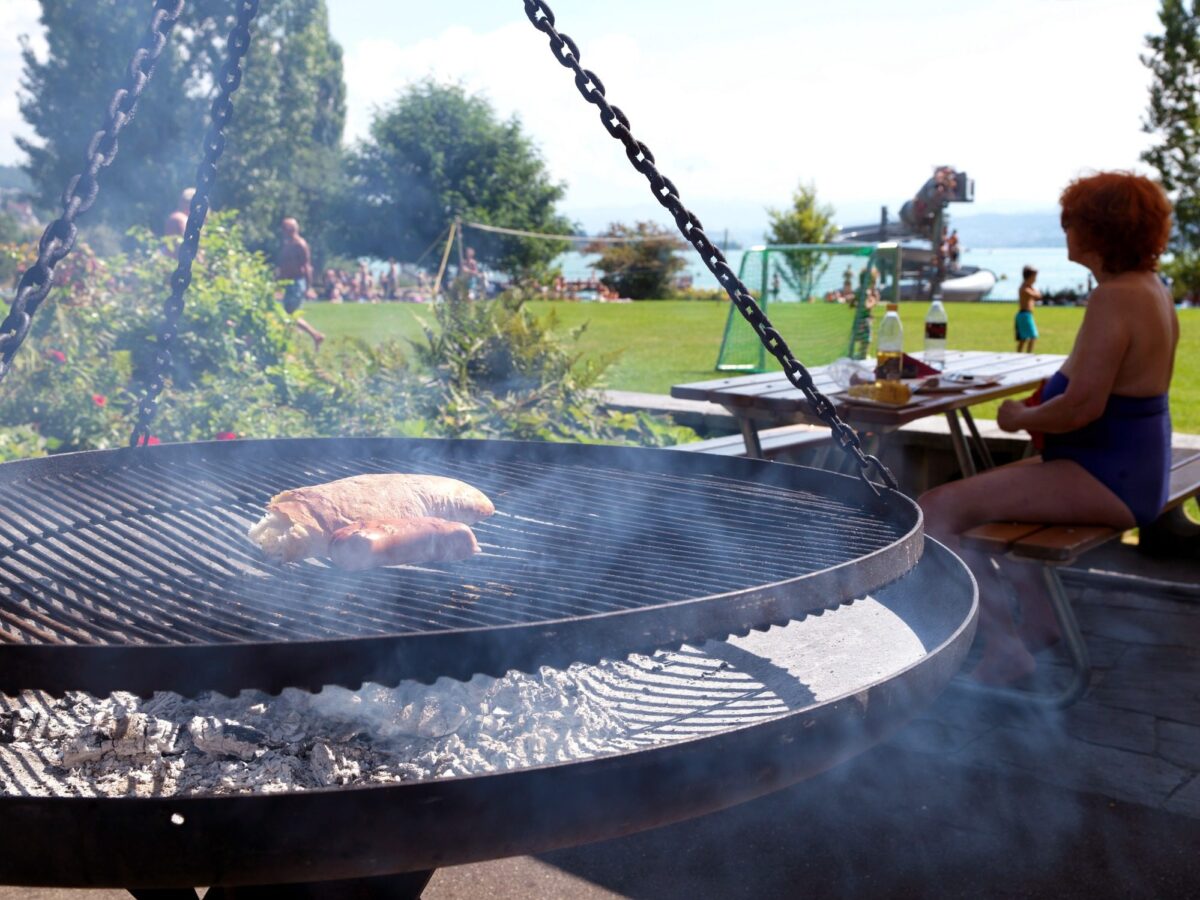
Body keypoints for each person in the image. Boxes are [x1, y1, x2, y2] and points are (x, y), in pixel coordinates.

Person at [919, 171, 1177, 685]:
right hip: (1126, 468)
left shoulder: (1115, 298)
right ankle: (1038, 620)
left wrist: (1021, 418)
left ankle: (1005, 648)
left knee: (932, 513)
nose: (1066, 232)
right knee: (994, 503)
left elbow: (1081, 407)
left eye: (1072, 222)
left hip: (1108, 475)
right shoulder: (1148, 288)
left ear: (1099, 231)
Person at [276, 217, 324, 350]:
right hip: (288, 283)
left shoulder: (300, 245)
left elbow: (306, 266)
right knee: (289, 315)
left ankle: (315, 335)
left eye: (286, 228)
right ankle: (296, 344)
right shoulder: (288, 244)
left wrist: (309, 287)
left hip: (297, 282)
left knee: (291, 314)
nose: (284, 231)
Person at [1015, 265, 1041, 352]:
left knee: (1024, 338)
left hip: (1027, 315)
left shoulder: (1028, 287)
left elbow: (1038, 296)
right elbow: (1037, 296)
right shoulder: (1024, 288)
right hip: (1024, 315)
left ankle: (1022, 354)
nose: (1035, 279)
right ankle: (1027, 355)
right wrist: (1034, 290)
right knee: (1032, 336)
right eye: (1034, 277)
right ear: (1029, 277)